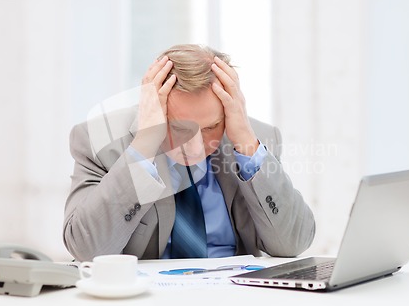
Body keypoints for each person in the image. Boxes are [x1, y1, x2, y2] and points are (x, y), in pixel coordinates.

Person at [64, 44, 315, 262]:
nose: (195, 147)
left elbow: (293, 244)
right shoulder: (98, 141)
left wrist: (247, 145)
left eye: (210, 128)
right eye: (179, 127)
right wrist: (143, 147)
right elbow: (87, 250)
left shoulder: (256, 139)